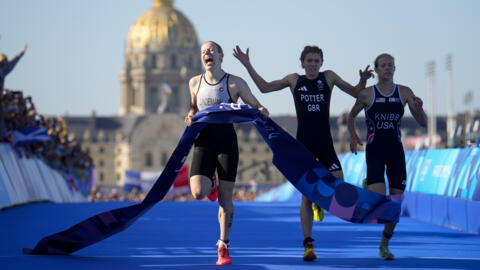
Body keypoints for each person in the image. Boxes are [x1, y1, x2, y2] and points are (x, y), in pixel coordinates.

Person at [234, 45, 373, 261]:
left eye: (317, 61)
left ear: (321, 63)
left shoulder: (329, 77)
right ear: (302, 63)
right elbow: (264, 87)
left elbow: (356, 92)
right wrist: (247, 64)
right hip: (304, 146)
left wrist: (363, 80)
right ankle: (309, 245)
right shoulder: (294, 80)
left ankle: (321, 202)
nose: (313, 65)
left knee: (339, 186)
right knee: (306, 198)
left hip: (325, 144)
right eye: (309, 61)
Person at [185, 41, 269, 265]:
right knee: (197, 193)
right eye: (203, 51)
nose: (207, 53)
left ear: (220, 56)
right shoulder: (194, 82)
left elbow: (254, 104)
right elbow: (194, 108)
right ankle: (210, 182)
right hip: (203, 142)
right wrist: (190, 115)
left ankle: (223, 245)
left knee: (225, 199)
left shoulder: (234, 83)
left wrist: (261, 110)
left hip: (226, 143)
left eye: (211, 50)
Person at [347, 53, 427, 260]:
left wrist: (419, 109)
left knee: (396, 204)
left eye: (391, 65)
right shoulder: (367, 94)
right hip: (375, 150)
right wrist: (354, 136)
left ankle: (384, 243)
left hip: (395, 151)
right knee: (379, 202)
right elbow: (351, 116)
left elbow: (423, 122)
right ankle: (369, 185)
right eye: (383, 65)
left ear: (394, 68)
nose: (387, 68)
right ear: (377, 70)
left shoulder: (405, 92)